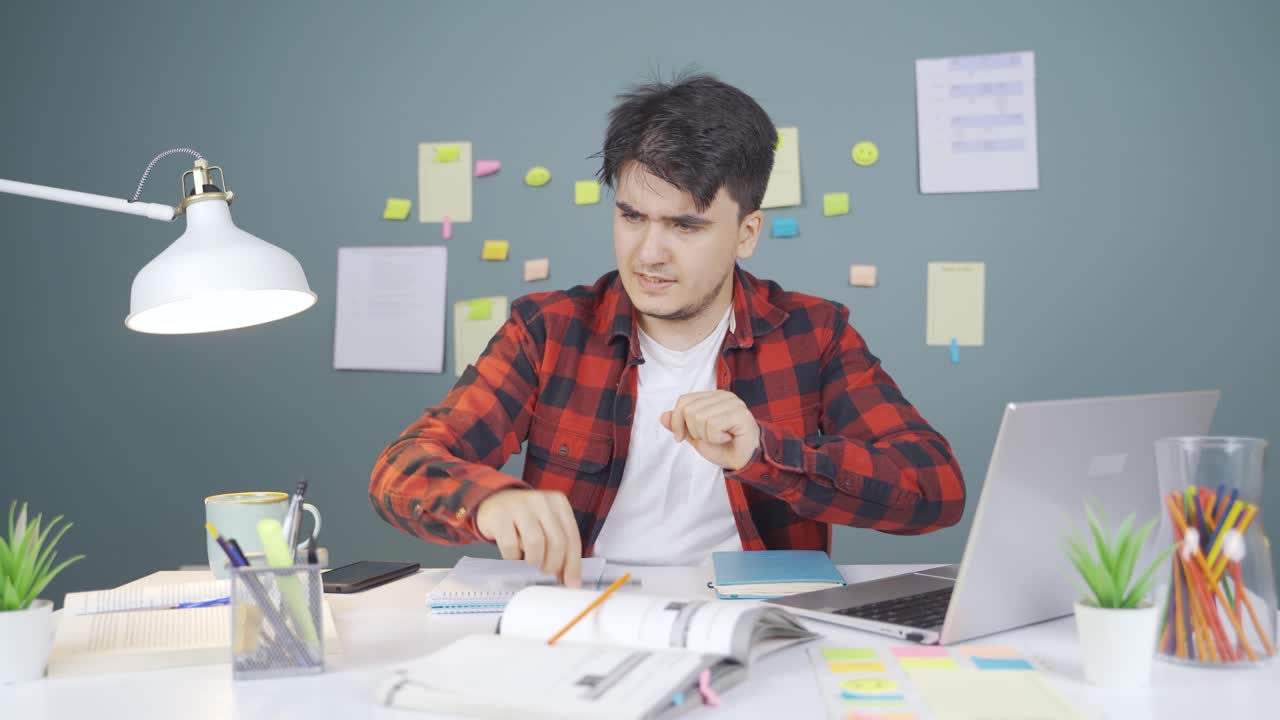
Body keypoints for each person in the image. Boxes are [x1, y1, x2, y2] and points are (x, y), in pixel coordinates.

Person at [369, 73, 965, 588]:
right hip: (583, 617)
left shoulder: (815, 333)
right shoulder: (546, 331)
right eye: (631, 217)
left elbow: (936, 487)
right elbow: (402, 466)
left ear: (746, 233)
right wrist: (491, 501)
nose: (648, 253)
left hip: (756, 624)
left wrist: (765, 452)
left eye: (685, 226)